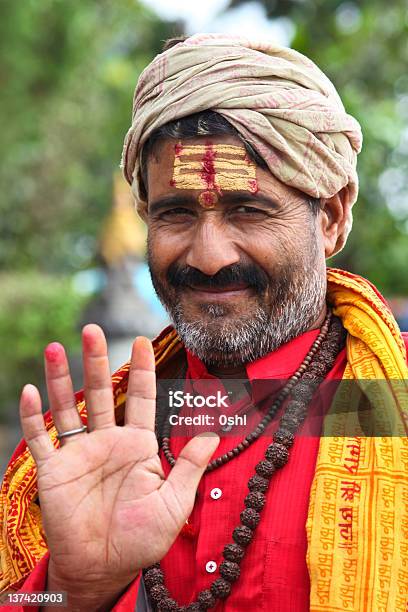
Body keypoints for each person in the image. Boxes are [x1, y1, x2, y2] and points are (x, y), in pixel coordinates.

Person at [1, 34, 407, 612]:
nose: (208, 256)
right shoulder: (93, 441)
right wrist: (78, 588)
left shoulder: (395, 399)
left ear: (332, 218)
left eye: (249, 210)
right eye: (176, 214)